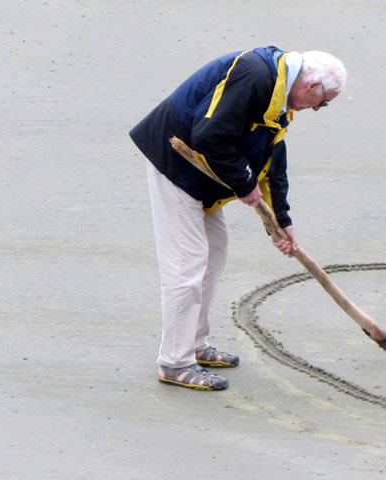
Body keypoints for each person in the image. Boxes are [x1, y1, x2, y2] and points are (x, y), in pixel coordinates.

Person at [129, 46, 345, 391]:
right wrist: (244, 185)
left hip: (204, 177)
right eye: (323, 102)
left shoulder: (279, 96)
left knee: (214, 254)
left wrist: (280, 221)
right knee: (187, 265)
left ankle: (195, 345)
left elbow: (272, 157)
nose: (318, 109)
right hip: (175, 166)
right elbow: (207, 135)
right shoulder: (255, 75)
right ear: (313, 86)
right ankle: (174, 362)